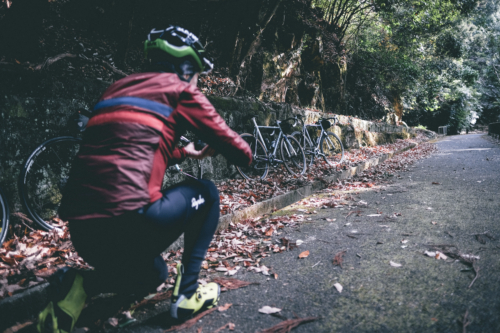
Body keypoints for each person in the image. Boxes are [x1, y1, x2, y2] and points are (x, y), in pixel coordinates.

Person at [37, 26, 252, 333]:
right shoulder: (181, 91)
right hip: (132, 222)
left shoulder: (115, 89)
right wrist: (214, 143)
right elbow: (243, 153)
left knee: (154, 273)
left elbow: (135, 148)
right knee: (207, 191)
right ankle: (188, 296)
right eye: (197, 73)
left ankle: (80, 284)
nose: (198, 81)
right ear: (186, 66)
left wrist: (184, 154)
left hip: (84, 234)